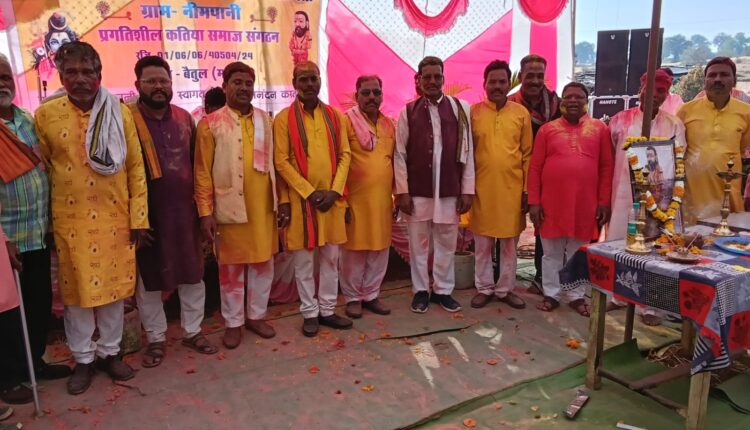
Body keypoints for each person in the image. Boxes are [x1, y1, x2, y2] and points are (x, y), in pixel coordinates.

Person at [34, 41, 149, 395]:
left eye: (87, 72)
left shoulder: (119, 112)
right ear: (61, 76)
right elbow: (43, 172)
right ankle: (83, 360)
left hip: (115, 219)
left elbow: (135, 168)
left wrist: (139, 218)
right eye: (71, 72)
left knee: (114, 293)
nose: (80, 79)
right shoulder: (46, 116)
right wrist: (47, 226)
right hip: (70, 222)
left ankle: (110, 354)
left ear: (99, 75)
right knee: (77, 296)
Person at [130, 56, 216, 367]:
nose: (158, 87)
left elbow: (199, 168)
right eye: (151, 81)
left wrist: (204, 212)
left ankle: (193, 331)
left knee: (193, 276)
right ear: (138, 84)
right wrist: (134, 219)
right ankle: (156, 338)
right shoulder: (128, 120)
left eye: (163, 81)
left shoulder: (184, 118)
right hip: (147, 216)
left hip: (184, 213)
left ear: (171, 84)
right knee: (149, 280)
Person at [0, 54, 71, 404]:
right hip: (7, 239)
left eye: (5, 76)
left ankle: (34, 363)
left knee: (38, 303)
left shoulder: (28, 120)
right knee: (7, 313)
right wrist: (4, 240)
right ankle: (9, 377)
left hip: (38, 232)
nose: (2, 84)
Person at [195, 62, 281, 347]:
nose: (244, 88)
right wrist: (205, 212)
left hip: (263, 208)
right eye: (237, 83)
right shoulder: (210, 123)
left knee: (262, 264)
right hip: (228, 207)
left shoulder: (265, 120)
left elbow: (275, 165)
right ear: (225, 86)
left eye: (248, 83)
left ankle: (256, 316)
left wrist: (282, 202)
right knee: (230, 269)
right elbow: (202, 172)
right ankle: (233, 323)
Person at [274, 61, 352, 337]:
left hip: (332, 200)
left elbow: (345, 155)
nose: (309, 84)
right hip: (301, 201)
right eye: (303, 79)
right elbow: (281, 161)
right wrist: (309, 191)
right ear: (294, 83)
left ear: (320, 81)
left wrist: (335, 190)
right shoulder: (283, 119)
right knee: (304, 262)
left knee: (331, 259)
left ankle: (328, 310)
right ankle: (309, 312)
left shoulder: (335, 116)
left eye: (313, 78)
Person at [394, 56, 474, 314]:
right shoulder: (408, 112)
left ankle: (443, 290)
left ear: (443, 78)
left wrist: (467, 190)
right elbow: (399, 154)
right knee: (418, 244)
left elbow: (468, 151)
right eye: (426, 77)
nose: (432, 81)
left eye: (437, 76)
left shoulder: (460, 108)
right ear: (418, 80)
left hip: (449, 188)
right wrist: (402, 191)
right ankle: (420, 290)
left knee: (446, 242)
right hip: (418, 190)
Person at [607, 69, 686, 325]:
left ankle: (652, 306)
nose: (653, 94)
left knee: (655, 249)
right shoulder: (619, 120)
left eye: (660, 90)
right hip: (622, 195)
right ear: (640, 89)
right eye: (648, 88)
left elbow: (678, 160)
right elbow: (610, 155)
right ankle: (618, 295)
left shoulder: (675, 125)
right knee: (620, 243)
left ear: (667, 94)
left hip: (660, 198)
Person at [528, 82, 613, 316]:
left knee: (578, 252)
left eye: (579, 97)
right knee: (550, 253)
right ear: (561, 101)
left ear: (586, 101)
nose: (573, 100)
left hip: (585, 203)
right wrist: (534, 201)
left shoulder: (600, 129)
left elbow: (606, 167)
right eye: (568, 97)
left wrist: (604, 201)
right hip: (551, 203)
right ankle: (551, 294)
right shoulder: (547, 130)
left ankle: (576, 296)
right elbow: (535, 168)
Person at [468, 60, 532, 310]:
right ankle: (484, 288)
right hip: (481, 190)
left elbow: (527, 154)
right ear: (484, 84)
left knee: (508, 246)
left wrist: (526, 190)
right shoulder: (473, 113)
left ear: (509, 84)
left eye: (502, 81)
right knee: (482, 245)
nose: (497, 86)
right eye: (492, 81)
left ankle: (505, 290)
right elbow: (466, 154)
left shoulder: (521, 113)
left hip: (512, 191)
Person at [340, 75, 394, 319]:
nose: (372, 97)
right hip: (354, 200)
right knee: (354, 251)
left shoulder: (389, 124)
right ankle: (352, 297)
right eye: (366, 93)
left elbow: (395, 161)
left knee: (379, 249)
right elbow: (339, 162)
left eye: (376, 92)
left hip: (382, 200)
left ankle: (371, 295)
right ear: (357, 95)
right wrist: (342, 199)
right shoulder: (346, 122)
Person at [508, 54, 560, 295]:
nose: (535, 81)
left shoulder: (558, 106)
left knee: (544, 226)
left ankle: (542, 277)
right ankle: (502, 277)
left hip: (549, 177)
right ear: (521, 76)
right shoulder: (509, 104)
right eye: (530, 75)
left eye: (540, 76)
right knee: (506, 227)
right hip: (514, 176)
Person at [678, 57, 750, 224]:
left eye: (724, 74)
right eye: (712, 75)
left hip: (728, 191)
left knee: (726, 234)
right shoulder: (686, 111)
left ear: (734, 80)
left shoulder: (746, 113)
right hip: (693, 193)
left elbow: (742, 148)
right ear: (705, 81)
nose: (718, 79)